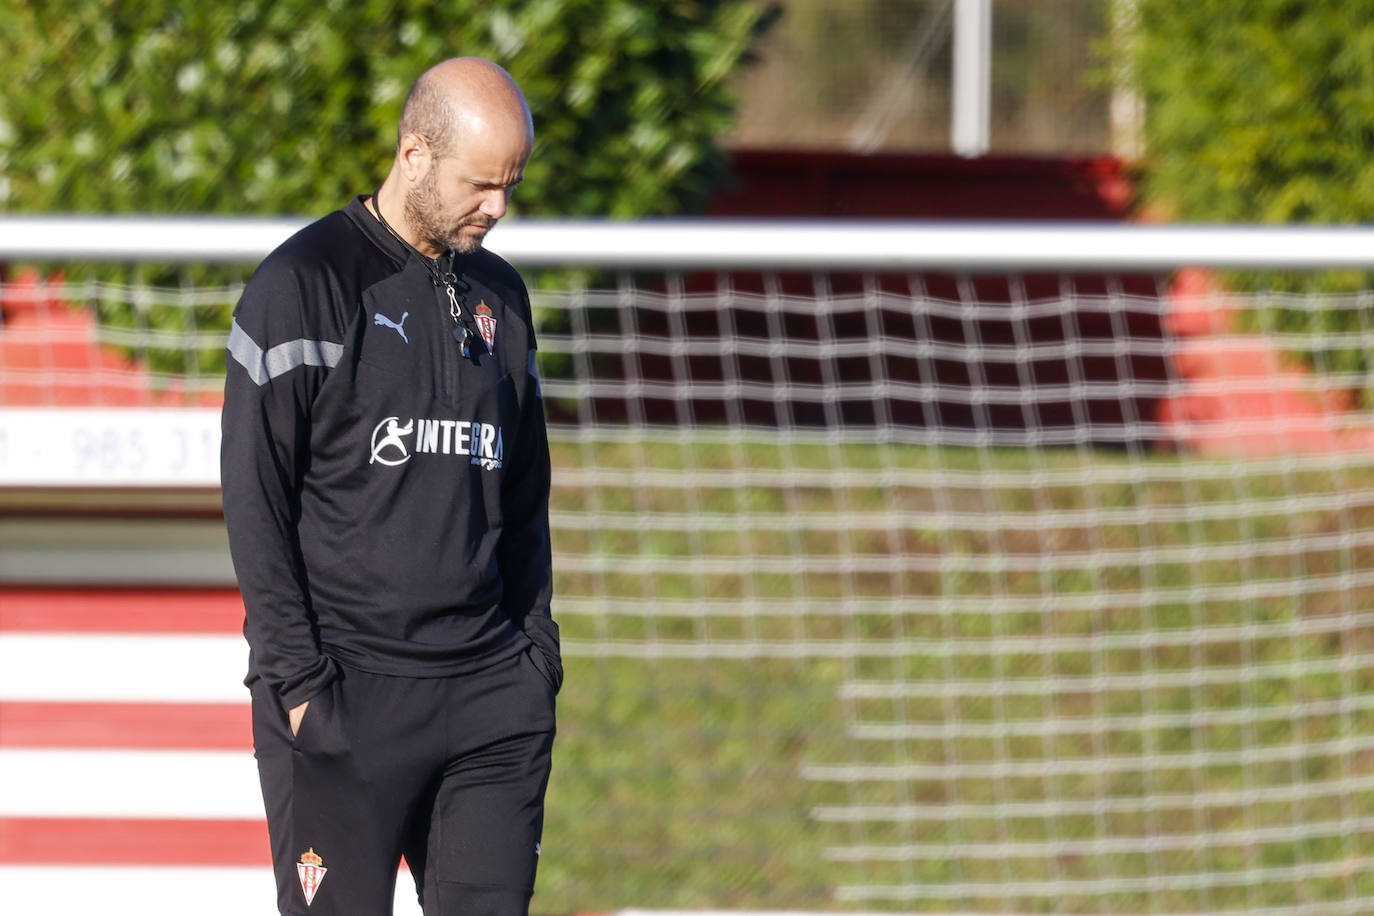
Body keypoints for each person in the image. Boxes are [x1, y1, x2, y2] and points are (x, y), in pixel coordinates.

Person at [221, 57, 560, 916]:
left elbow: (525, 498)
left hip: (491, 703)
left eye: (512, 184)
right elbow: (255, 504)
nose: (500, 207)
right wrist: (302, 691)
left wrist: (535, 659)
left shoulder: (503, 298)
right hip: (346, 695)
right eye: (481, 185)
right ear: (415, 155)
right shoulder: (302, 286)